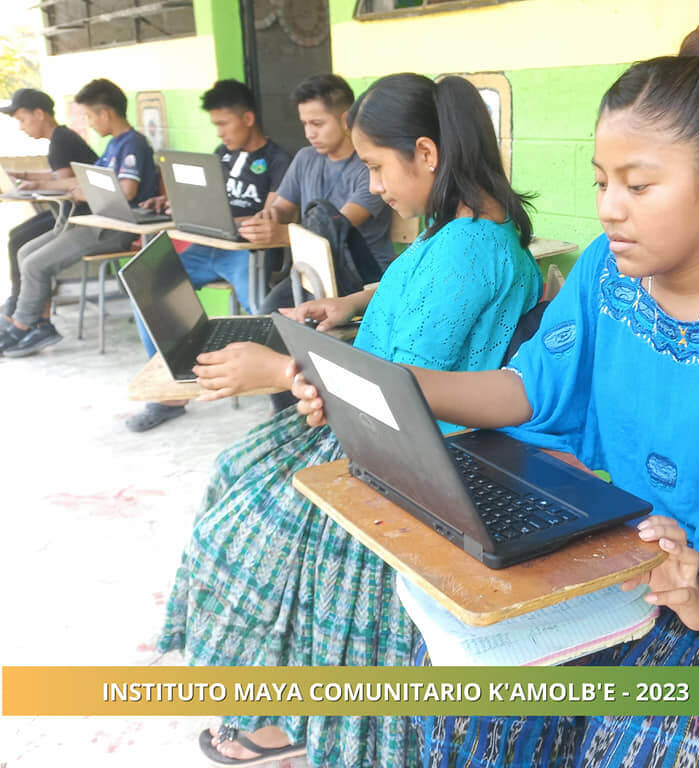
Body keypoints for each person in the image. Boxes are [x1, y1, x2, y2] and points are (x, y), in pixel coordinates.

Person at [296, 24, 699, 768]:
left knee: (657, 747)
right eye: (601, 181)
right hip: (636, 560)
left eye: (638, 184)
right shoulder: (606, 271)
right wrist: (384, 390)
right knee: (479, 699)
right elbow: (530, 388)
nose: (607, 208)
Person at [156, 73, 543, 768]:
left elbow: (398, 394)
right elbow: (414, 288)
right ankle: (278, 703)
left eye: (375, 167)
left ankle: (286, 717)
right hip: (371, 424)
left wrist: (280, 372)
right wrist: (350, 305)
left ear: (426, 153)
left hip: (407, 456)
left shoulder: (472, 249)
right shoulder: (459, 228)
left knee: (246, 530)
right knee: (236, 471)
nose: (372, 184)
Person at [192, 73, 396, 416]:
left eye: (317, 123)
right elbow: (281, 208)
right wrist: (266, 220)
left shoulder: (367, 167)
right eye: (304, 124)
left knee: (300, 332)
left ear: (346, 120)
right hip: (311, 274)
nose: (309, 133)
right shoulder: (304, 159)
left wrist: (283, 234)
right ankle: (286, 412)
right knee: (271, 318)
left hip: (360, 277)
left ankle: (311, 410)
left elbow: (339, 228)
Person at [126, 79, 292, 433]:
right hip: (207, 247)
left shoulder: (279, 160)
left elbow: (271, 215)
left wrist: (233, 221)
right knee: (150, 291)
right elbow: (206, 204)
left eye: (223, 123)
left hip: (248, 253)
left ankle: (282, 400)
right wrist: (174, 204)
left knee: (262, 312)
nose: (219, 132)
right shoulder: (220, 155)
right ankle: (173, 394)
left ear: (247, 118)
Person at [0, 78, 159, 357]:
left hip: (116, 229)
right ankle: (37, 322)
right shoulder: (114, 145)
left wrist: (84, 192)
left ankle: (24, 325)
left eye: (89, 115)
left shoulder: (133, 144)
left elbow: (127, 189)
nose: (89, 122)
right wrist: (39, 184)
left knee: (36, 264)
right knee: (26, 252)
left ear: (105, 114)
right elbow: (82, 180)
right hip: (96, 223)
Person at [0, 88, 97, 321]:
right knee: (18, 236)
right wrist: (26, 176)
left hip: (81, 216)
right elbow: (59, 177)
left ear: (40, 114)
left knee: (21, 241)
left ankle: (23, 308)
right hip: (73, 213)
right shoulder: (61, 137)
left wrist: (31, 188)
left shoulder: (61, 140)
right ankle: (19, 302)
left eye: (23, 120)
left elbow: (64, 184)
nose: (22, 127)